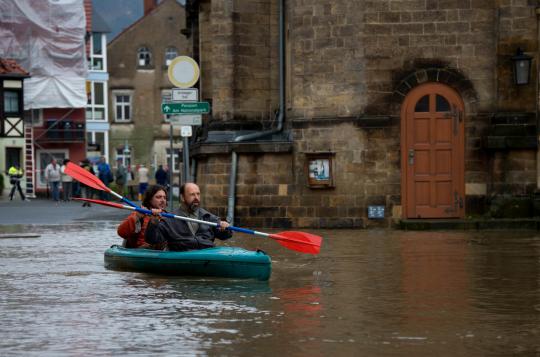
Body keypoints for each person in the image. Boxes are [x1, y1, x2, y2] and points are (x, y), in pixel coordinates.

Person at [145, 182, 232, 251]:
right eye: (192, 195)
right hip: (183, 255)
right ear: (182, 197)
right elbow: (152, 240)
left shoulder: (208, 217)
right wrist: (153, 222)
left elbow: (225, 236)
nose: (196, 198)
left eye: (198, 194)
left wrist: (226, 228)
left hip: (206, 255)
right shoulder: (169, 219)